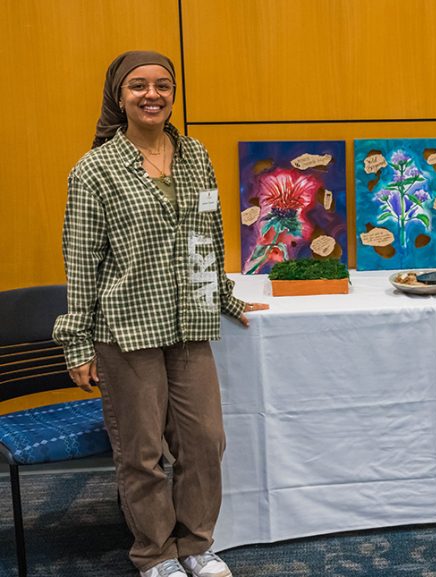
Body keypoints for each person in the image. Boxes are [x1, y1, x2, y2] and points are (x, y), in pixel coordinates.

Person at [53, 51, 269, 577]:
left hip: (189, 321)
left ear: (173, 95)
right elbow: (81, 261)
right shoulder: (95, 169)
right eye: (138, 86)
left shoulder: (195, 154)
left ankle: (196, 543)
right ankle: (154, 553)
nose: (152, 95)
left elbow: (208, 239)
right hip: (125, 329)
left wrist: (225, 297)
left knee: (205, 440)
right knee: (142, 450)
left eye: (163, 85)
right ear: (119, 96)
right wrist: (76, 342)